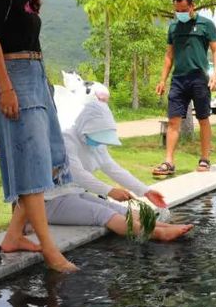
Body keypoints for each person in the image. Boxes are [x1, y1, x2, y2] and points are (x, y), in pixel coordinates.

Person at [0, 0, 77, 273]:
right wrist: (6, 88)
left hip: (36, 76)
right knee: (31, 162)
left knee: (50, 158)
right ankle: (50, 249)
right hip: (13, 75)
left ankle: (13, 236)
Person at [40, 98, 194, 241]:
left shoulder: (95, 145)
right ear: (85, 127)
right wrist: (110, 191)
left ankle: (164, 226)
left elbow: (113, 169)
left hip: (73, 194)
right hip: (50, 202)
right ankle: (158, 234)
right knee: (103, 213)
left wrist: (145, 191)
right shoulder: (67, 141)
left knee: (117, 209)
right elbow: (78, 175)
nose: (99, 141)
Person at [153, 0, 216, 177]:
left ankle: (205, 158)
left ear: (192, 6)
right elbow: (169, 55)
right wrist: (162, 80)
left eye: (184, 9)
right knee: (173, 120)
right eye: (177, 10)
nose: (180, 13)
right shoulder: (173, 27)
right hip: (179, 79)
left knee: (203, 118)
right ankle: (169, 162)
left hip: (199, 78)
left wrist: (215, 74)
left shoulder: (206, 24)